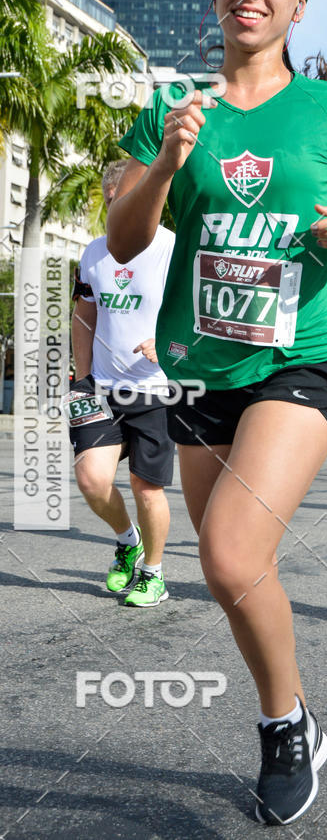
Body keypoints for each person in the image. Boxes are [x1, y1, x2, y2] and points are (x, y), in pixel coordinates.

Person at [107, 0, 327, 824]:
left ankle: (280, 725)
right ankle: (299, 716)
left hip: (303, 353)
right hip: (202, 368)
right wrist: (164, 163)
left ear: (298, 5)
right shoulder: (170, 109)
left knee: (233, 553)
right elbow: (122, 242)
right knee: (233, 570)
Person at [67, 160, 175, 607]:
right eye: (118, 203)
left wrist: (167, 342)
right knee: (92, 480)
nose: (126, 211)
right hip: (102, 387)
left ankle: (153, 573)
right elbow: (84, 315)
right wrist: (81, 378)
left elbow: (196, 311)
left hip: (155, 388)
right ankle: (127, 542)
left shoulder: (174, 247)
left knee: (146, 488)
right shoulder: (93, 253)